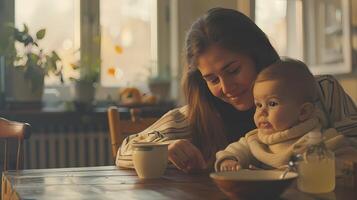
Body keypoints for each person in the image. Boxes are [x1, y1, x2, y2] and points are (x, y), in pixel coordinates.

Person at [116, 7, 357, 173]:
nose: (226, 87)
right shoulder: (198, 114)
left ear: (257, 56)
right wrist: (165, 150)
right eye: (212, 79)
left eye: (233, 70)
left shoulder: (321, 90)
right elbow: (124, 151)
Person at [215, 58, 356, 172]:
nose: (262, 112)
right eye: (258, 105)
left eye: (272, 104)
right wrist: (228, 160)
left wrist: (300, 169)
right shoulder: (256, 140)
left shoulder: (318, 140)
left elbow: (349, 160)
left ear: (303, 112)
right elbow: (237, 149)